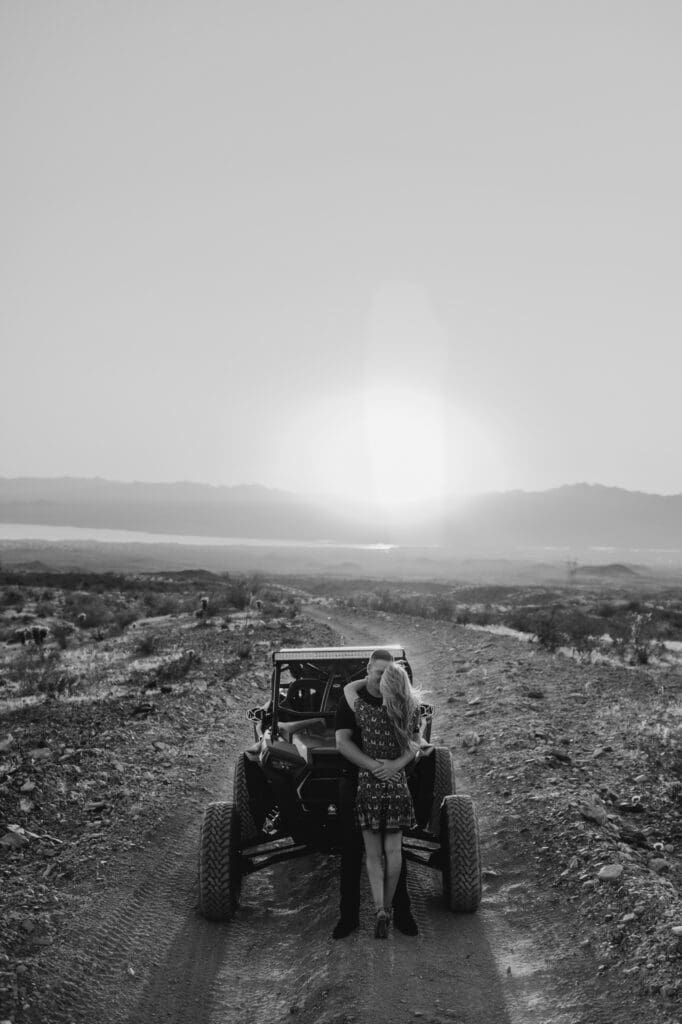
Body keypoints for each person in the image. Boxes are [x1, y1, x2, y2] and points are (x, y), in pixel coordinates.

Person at [333, 649, 421, 939]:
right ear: (368, 668)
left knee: (375, 854)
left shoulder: (364, 710)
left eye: (387, 672)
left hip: (372, 783)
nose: (381, 676)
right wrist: (386, 766)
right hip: (382, 779)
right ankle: (357, 915)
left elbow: (417, 742)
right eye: (377, 671)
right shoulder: (408, 705)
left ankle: (392, 911)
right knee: (376, 850)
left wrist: (389, 765)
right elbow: (342, 742)